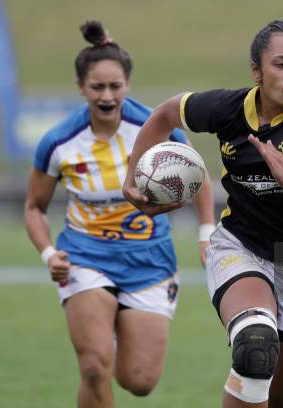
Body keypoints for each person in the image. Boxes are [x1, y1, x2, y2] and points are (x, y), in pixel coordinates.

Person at [123, 20, 283, 408]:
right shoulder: (227, 109)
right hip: (239, 245)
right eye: (281, 64)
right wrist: (132, 179)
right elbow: (165, 114)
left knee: (279, 395)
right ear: (256, 72)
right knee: (255, 349)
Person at [24, 20, 214, 408]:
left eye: (115, 86)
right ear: (81, 88)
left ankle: (108, 334)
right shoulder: (59, 142)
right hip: (85, 256)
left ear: (127, 84)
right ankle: (96, 335)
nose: (107, 96)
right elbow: (33, 208)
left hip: (150, 259)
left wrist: (206, 231)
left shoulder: (153, 128)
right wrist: (48, 254)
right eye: (97, 87)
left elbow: (200, 176)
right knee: (94, 367)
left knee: (139, 381)